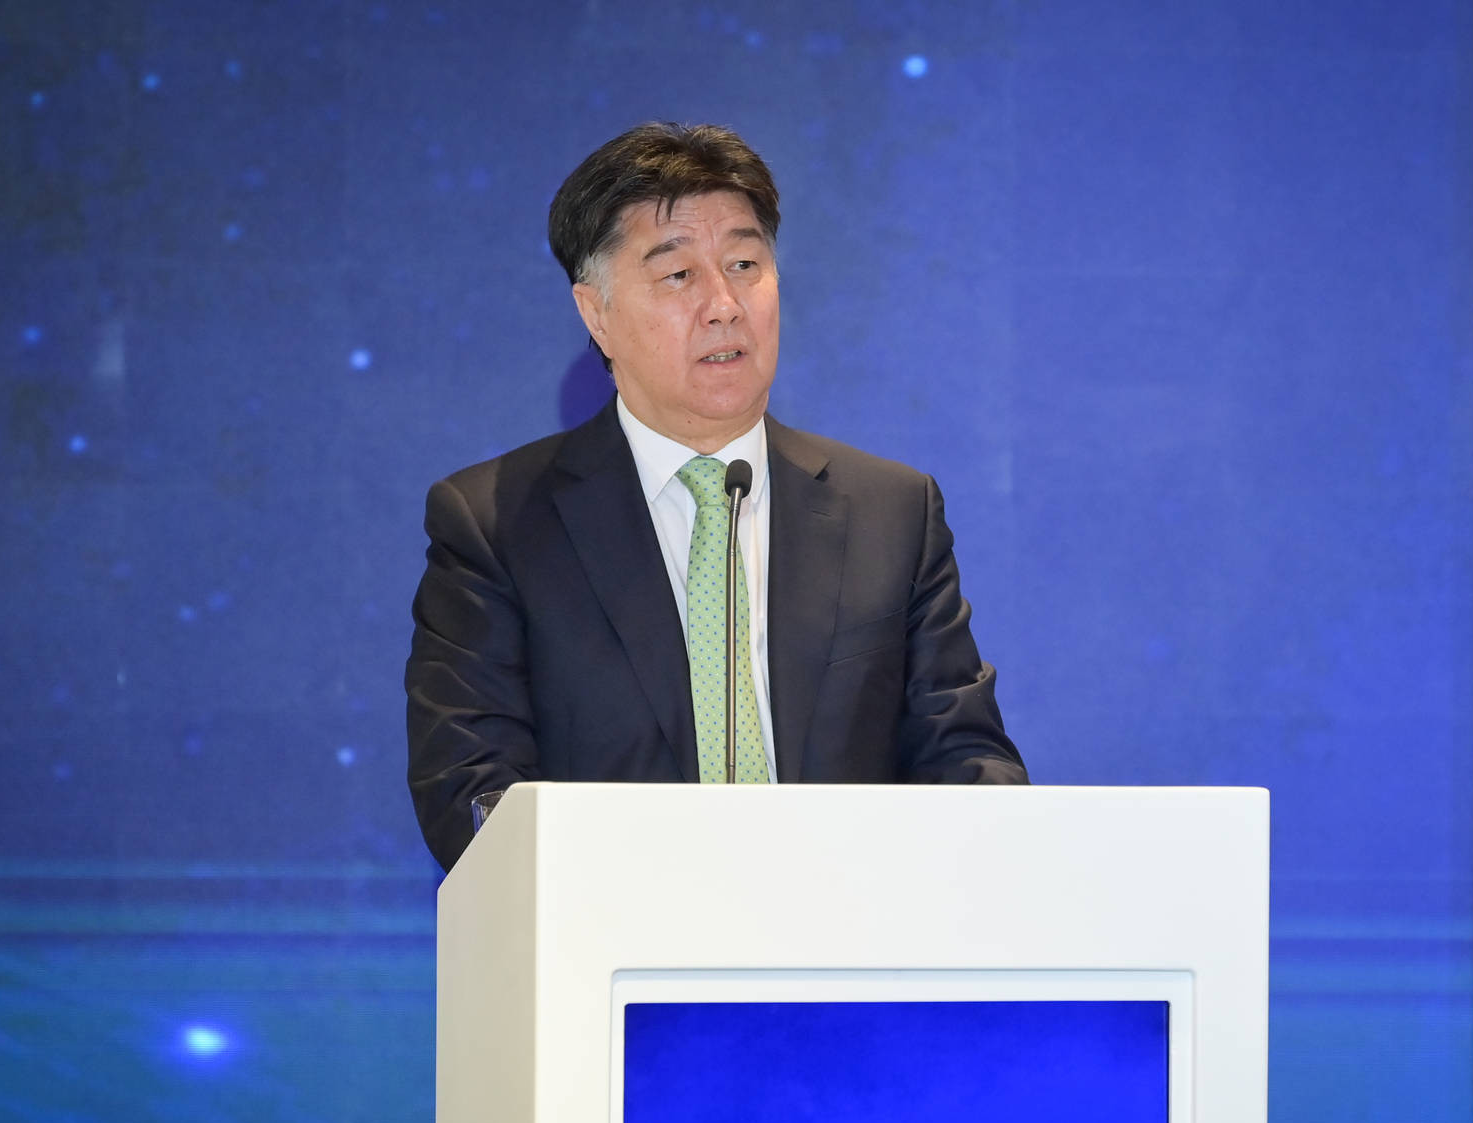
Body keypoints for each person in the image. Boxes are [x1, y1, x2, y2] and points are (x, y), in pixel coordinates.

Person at [404, 122, 1026, 873]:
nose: (725, 304)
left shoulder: (891, 513)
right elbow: (471, 792)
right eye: (678, 275)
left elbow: (965, 761)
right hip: (615, 935)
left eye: (744, 264)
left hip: (849, 930)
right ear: (597, 315)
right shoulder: (496, 525)